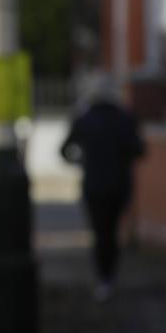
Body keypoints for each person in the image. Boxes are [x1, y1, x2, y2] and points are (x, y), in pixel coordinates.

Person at [61, 78, 145, 301]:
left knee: (100, 233)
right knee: (112, 230)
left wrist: (81, 160)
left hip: (94, 185)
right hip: (119, 184)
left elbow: (64, 150)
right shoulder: (125, 118)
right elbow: (139, 150)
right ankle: (110, 275)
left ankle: (103, 278)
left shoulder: (84, 119)